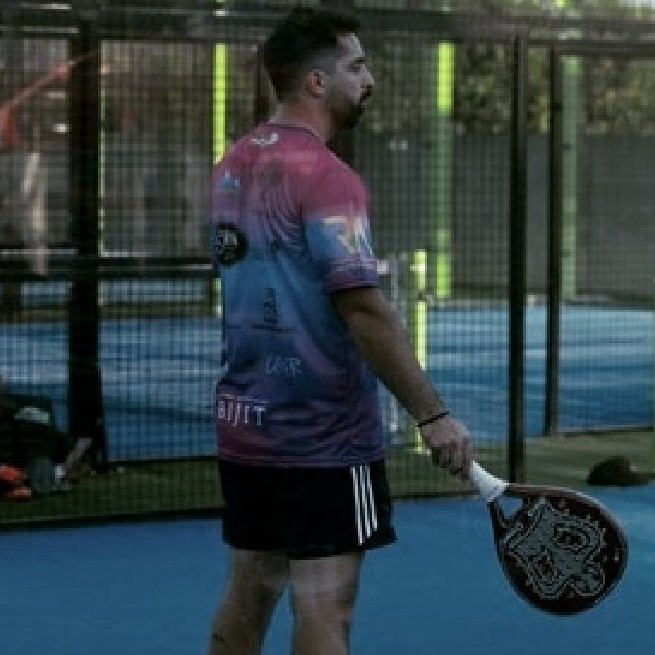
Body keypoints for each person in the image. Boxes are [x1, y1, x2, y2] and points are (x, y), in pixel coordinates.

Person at [207, 6, 473, 655]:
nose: (368, 79)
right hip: (324, 436)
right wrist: (432, 415)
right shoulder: (328, 179)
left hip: (246, 426)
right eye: (356, 66)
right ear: (317, 82)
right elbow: (362, 308)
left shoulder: (231, 165)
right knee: (326, 604)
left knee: (250, 588)